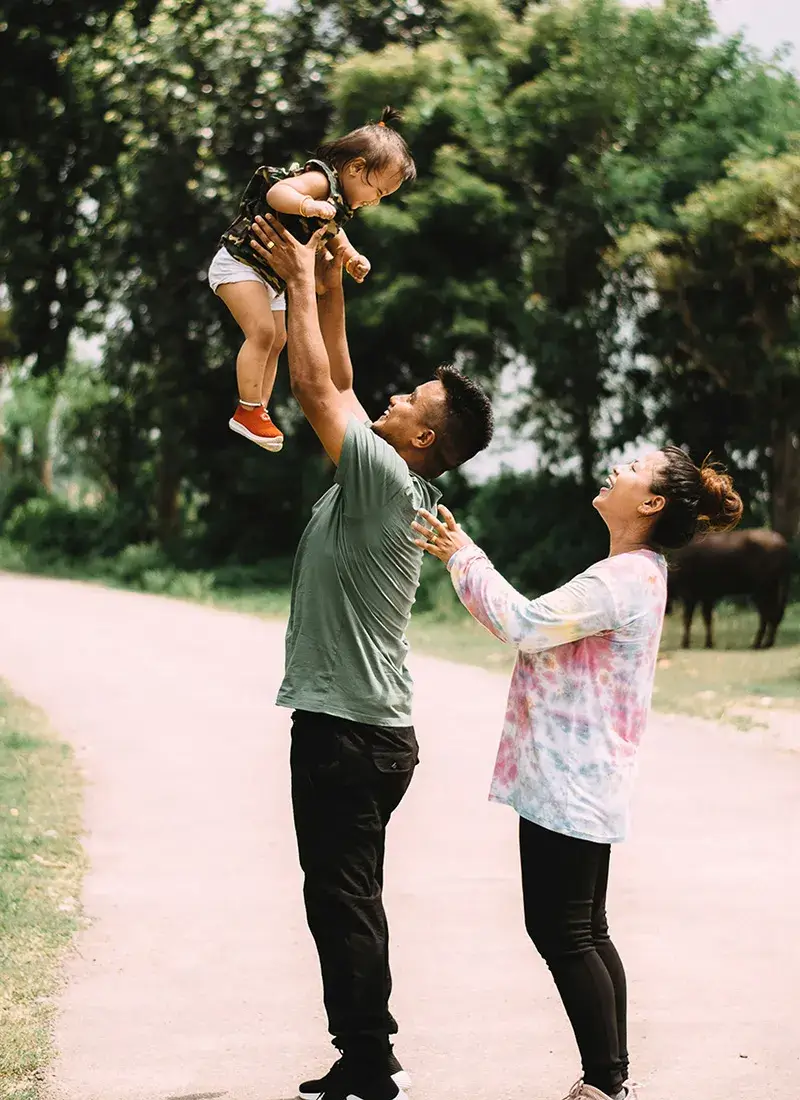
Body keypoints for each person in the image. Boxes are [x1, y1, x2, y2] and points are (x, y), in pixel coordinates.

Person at [247, 213, 494, 1100]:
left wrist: (301, 285)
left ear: (423, 439)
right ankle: (365, 1048)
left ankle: (369, 1059)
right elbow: (341, 376)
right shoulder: (388, 472)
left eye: (410, 405)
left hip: (349, 734)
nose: (388, 400)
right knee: (346, 893)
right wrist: (332, 280)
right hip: (362, 730)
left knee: (341, 898)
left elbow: (315, 385)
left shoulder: (385, 477)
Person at [412, 449, 743, 1100]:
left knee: (562, 931)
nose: (619, 467)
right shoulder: (637, 572)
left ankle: (604, 1085)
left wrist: (461, 554)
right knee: (586, 929)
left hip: (570, 780)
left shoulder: (622, 581)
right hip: (588, 777)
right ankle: (612, 1080)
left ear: (649, 504)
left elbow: (524, 624)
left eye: (636, 467)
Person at [209, 106, 415, 452]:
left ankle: (257, 409)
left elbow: (335, 234)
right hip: (241, 263)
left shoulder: (340, 204)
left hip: (270, 277)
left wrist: (350, 257)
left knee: (278, 338)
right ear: (355, 168)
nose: (375, 202)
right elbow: (278, 194)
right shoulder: (320, 181)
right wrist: (307, 205)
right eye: (377, 192)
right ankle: (247, 407)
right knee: (261, 332)